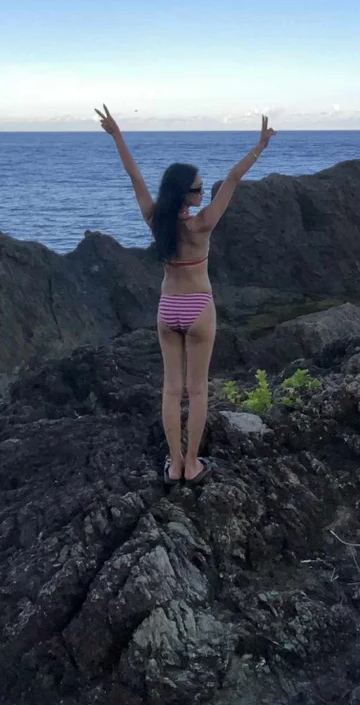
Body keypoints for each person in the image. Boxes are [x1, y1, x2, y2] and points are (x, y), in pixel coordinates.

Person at [94, 105, 275, 483]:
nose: (202, 191)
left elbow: (134, 176)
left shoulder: (154, 218)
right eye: (197, 188)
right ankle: (192, 465)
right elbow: (233, 179)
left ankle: (173, 464)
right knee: (197, 391)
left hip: (168, 309)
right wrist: (259, 147)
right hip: (198, 308)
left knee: (171, 390)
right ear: (185, 194)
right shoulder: (203, 223)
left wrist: (117, 136)